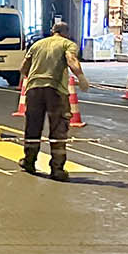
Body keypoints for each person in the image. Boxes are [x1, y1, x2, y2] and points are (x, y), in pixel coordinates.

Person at [21, 19, 87, 180]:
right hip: (55, 90)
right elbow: (71, 59)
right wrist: (81, 76)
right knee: (58, 129)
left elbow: (23, 67)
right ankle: (57, 169)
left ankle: (29, 161)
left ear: (52, 31)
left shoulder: (37, 44)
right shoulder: (67, 44)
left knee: (33, 127)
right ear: (67, 33)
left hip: (33, 89)